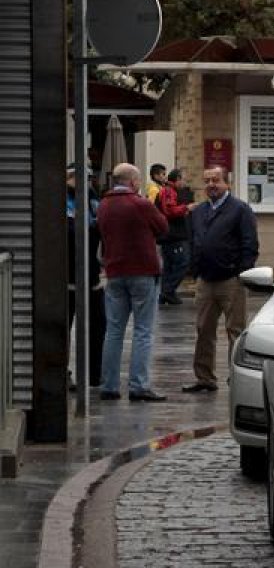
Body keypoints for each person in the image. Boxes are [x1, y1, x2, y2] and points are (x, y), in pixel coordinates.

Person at [96, 163, 169, 401]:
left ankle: (109, 385)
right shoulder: (140, 204)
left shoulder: (104, 205)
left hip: (114, 272)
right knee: (143, 331)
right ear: (133, 182)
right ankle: (138, 386)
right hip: (143, 272)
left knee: (114, 330)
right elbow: (163, 227)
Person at [184, 165, 259, 393]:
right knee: (203, 330)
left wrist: (242, 272)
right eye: (207, 181)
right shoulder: (198, 211)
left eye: (216, 180)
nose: (211, 185)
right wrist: (194, 269)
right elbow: (193, 240)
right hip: (206, 280)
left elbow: (250, 244)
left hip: (231, 281)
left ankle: (236, 378)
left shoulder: (240, 209)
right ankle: (204, 378)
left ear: (227, 183)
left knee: (235, 331)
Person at [67, 165, 104, 390]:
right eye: (76, 177)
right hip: (65, 278)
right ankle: (62, 372)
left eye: (88, 178)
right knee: (63, 328)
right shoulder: (61, 201)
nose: (83, 182)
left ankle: (94, 375)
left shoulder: (94, 202)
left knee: (99, 326)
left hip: (92, 277)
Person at [155, 168, 197, 305]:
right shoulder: (169, 191)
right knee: (183, 263)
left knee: (169, 266)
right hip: (174, 235)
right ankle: (167, 291)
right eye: (183, 179)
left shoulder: (169, 190)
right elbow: (170, 211)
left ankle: (167, 293)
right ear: (177, 179)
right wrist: (187, 208)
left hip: (169, 235)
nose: (185, 183)